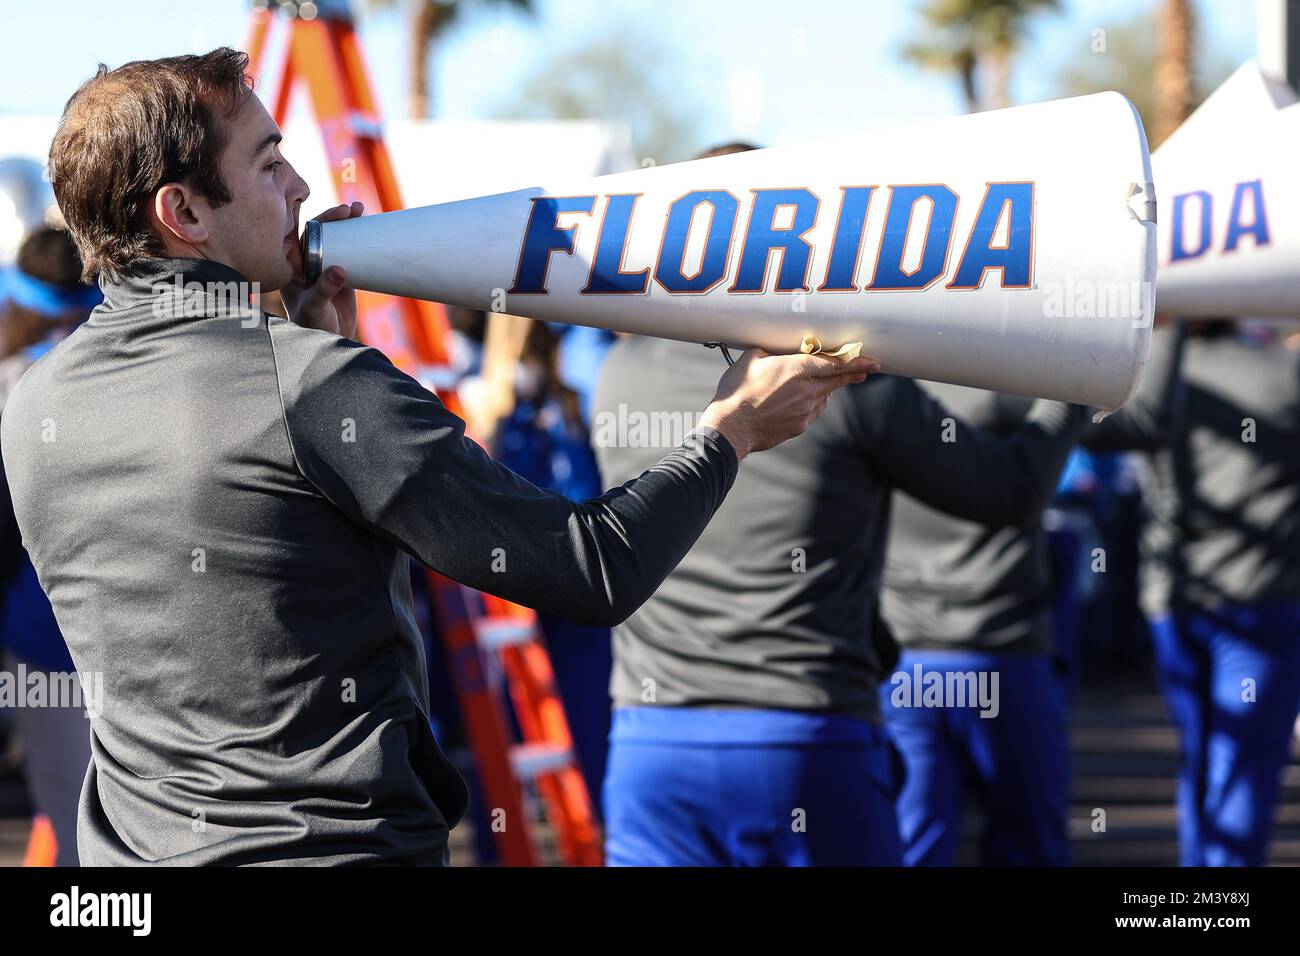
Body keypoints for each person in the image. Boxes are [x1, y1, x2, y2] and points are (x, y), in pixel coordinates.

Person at [0, 49, 874, 866]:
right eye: (269, 165)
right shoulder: (310, 385)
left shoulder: (35, 397)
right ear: (183, 213)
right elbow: (595, 568)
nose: (304, 186)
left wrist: (309, 362)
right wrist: (733, 431)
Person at [591, 139, 1088, 865]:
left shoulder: (619, 372)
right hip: (808, 740)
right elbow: (1009, 493)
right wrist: (1073, 386)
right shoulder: (845, 381)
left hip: (650, 741)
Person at [1085, 319, 1300, 867]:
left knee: (1200, 754)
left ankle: (1196, 889)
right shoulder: (1284, 373)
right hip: (1263, 600)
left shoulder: (1152, 378)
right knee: (1242, 761)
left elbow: (1091, 432)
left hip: (1173, 602)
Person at [879, 384, 1070, 867]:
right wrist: (1075, 387)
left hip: (906, 661)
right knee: (1027, 846)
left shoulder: (871, 394)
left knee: (910, 845)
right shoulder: (1015, 387)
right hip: (1000, 654)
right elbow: (1147, 420)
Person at [0, 226, 101, 866]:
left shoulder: (14, 377)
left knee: (72, 824)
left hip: (49, 642)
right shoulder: (133, 366)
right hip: (146, 639)